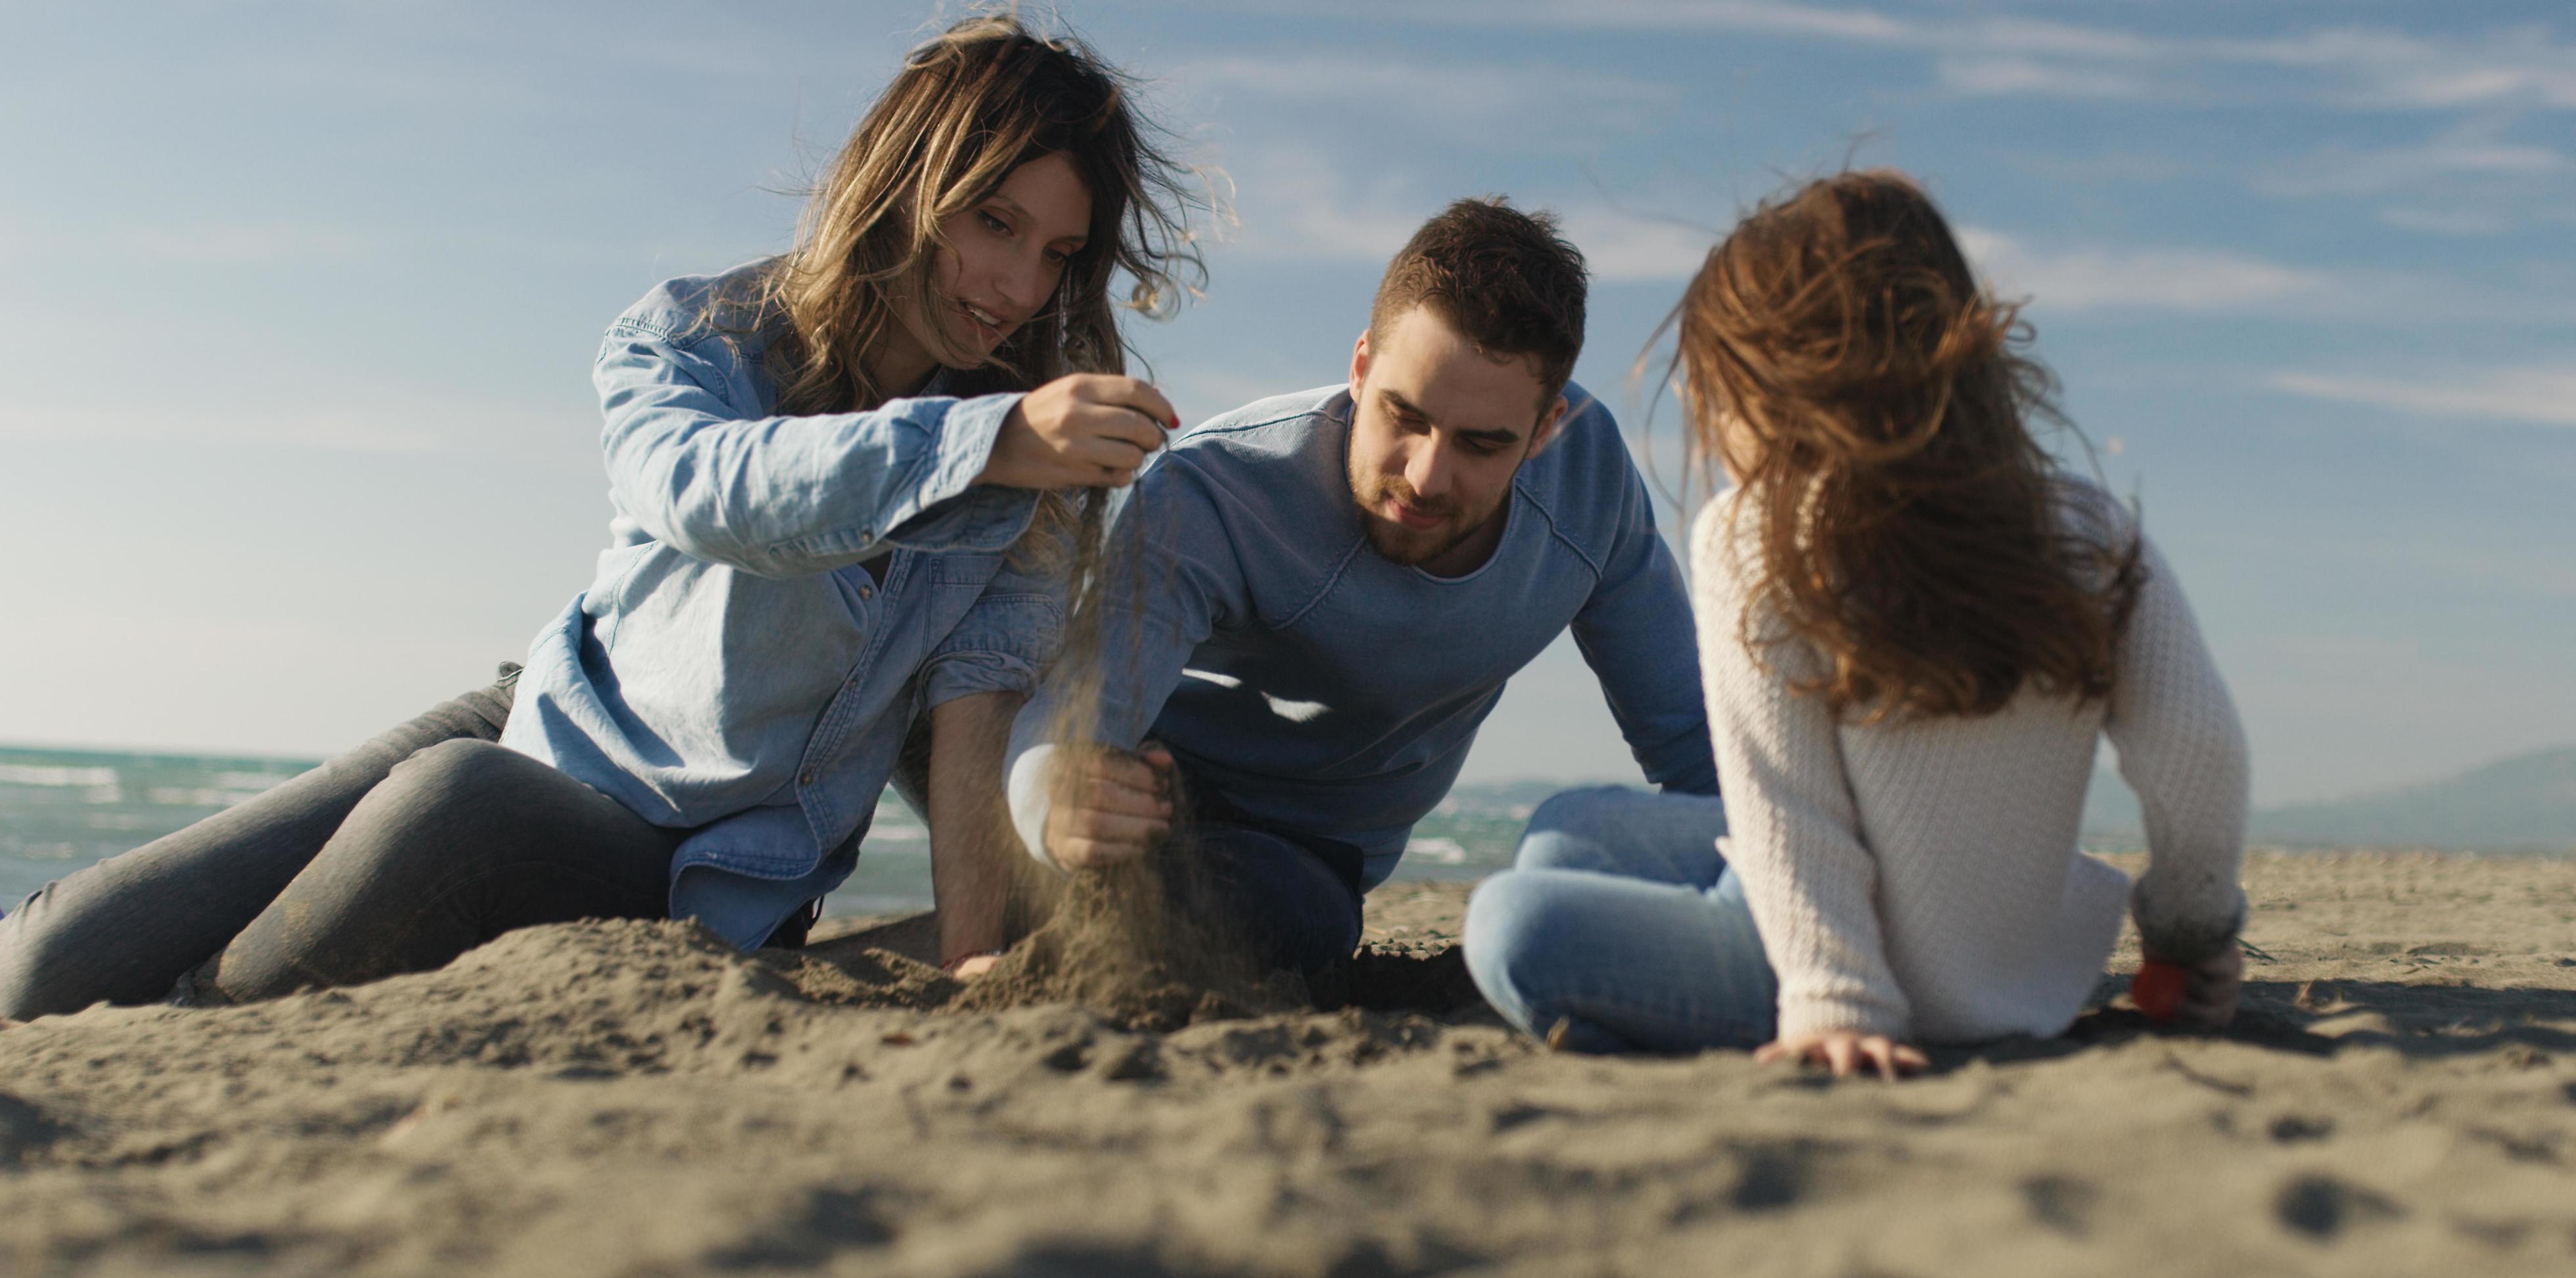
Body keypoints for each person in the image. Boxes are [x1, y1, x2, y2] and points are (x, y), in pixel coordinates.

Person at [0, 14, 1204, 1019]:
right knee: (51, 955)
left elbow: (974, 706)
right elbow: (706, 491)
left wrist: (967, 957)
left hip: (700, 850)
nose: (1016, 289)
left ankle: (204, 1026)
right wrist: (981, 443)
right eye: (992, 222)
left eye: (1056, 254)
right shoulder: (690, 337)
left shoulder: (1033, 459)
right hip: (550, 711)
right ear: (903, 184)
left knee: (452, 806)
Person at [1461, 170, 2251, 1077]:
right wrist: (2189, 938)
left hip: (1855, 968)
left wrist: (1839, 998)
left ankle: (1741, 1001)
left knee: (1512, 925)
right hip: (2014, 958)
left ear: (1781, 379)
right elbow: (2200, 752)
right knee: (1569, 828)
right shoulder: (2088, 526)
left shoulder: (1759, 535)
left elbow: (1790, 808)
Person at [1004, 198, 1719, 976]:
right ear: (1359, 366)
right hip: (1143, 800)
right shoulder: (1216, 492)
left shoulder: (1587, 488)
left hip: (1303, 851)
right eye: (1403, 416)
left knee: (1265, 914)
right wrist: (1058, 800)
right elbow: (1068, 724)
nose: (1425, 476)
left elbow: (1689, 737)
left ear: (1544, 429)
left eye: (1482, 445)